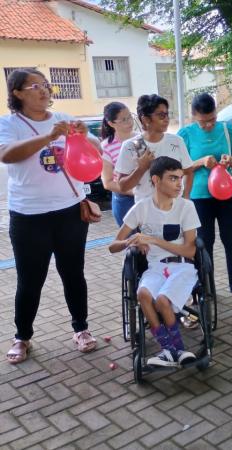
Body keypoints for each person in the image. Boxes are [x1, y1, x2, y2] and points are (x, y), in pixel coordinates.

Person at [0, 68, 98, 364]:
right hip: (29, 215)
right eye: (34, 86)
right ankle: (22, 337)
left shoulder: (62, 119)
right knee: (30, 279)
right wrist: (49, 138)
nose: (44, 90)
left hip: (69, 210)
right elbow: (6, 154)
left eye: (45, 85)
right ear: (17, 92)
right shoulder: (10, 123)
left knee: (73, 274)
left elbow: (95, 152)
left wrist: (83, 135)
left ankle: (81, 329)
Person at [109, 157, 199, 366]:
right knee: (142, 294)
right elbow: (113, 245)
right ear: (156, 180)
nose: (180, 183)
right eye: (173, 178)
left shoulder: (186, 207)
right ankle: (171, 351)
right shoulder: (141, 208)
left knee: (162, 300)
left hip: (181, 265)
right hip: (155, 267)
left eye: (180, 178)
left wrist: (152, 240)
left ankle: (175, 349)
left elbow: (190, 250)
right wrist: (130, 243)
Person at [177, 93, 232, 304]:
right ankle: (205, 288)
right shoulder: (186, 134)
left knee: (230, 240)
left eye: (212, 119)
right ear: (193, 117)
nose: (209, 125)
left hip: (227, 195)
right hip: (200, 198)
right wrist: (200, 161)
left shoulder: (226, 129)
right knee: (204, 243)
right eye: (203, 122)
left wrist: (230, 160)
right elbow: (180, 168)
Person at [115, 94, 193, 203]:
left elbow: (189, 171)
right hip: (146, 212)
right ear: (145, 119)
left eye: (167, 114)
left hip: (174, 210)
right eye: (161, 115)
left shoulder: (177, 141)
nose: (166, 119)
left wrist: (185, 197)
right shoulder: (132, 146)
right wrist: (141, 168)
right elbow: (122, 186)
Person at [100, 102, 136, 226]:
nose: (130, 122)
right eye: (124, 120)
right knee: (130, 242)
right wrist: (133, 191)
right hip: (124, 200)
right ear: (111, 123)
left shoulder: (141, 139)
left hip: (147, 196)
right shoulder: (106, 147)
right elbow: (108, 182)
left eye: (130, 117)